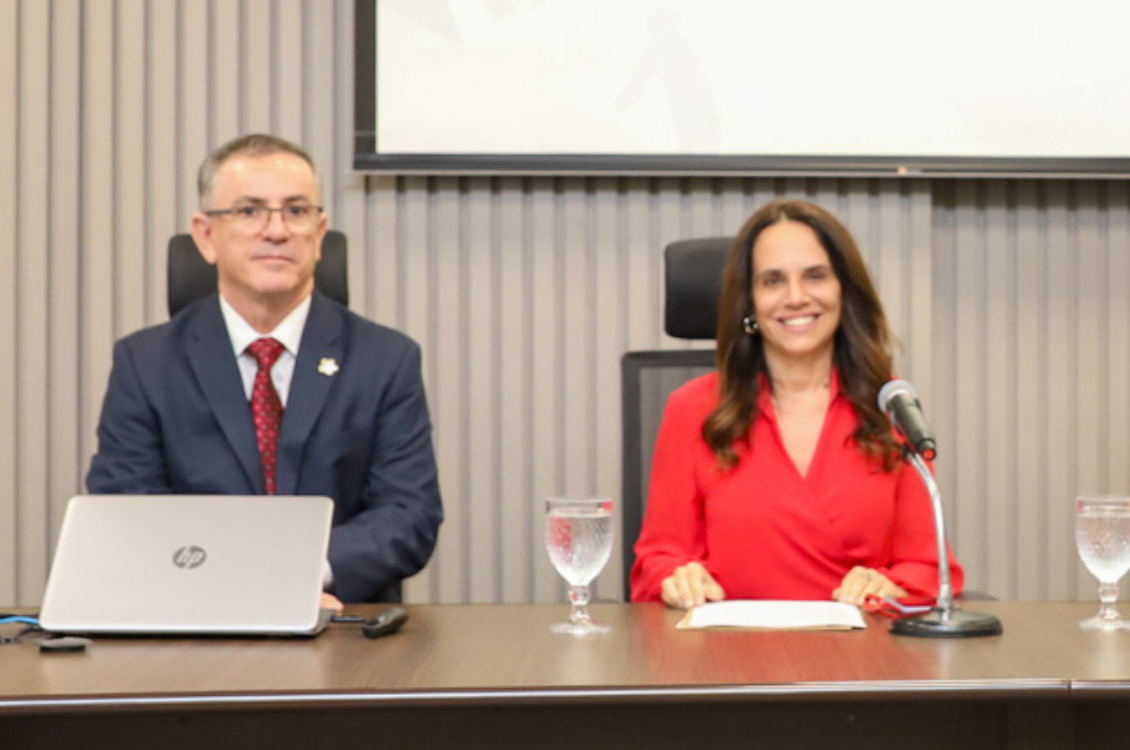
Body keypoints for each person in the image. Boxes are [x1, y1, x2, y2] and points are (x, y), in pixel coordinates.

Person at [86, 134, 443, 606]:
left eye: (296, 210)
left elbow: (408, 515)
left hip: (341, 623)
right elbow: (126, 513)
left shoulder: (385, 359)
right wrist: (244, 584)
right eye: (250, 211)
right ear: (205, 235)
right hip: (194, 618)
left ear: (319, 233)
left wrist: (299, 574)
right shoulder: (146, 364)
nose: (276, 230)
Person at [630, 199, 963, 609]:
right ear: (749, 303)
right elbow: (657, 563)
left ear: (844, 290)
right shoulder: (692, 408)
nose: (795, 297)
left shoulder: (889, 405)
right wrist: (678, 579)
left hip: (861, 645)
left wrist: (890, 585)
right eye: (772, 281)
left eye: (815, 276)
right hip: (729, 645)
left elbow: (929, 570)